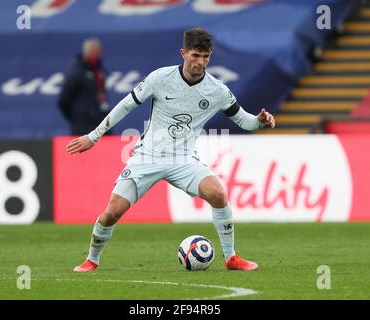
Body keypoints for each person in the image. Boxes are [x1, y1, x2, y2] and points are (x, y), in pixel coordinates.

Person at [67, 28, 276, 272]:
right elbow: (126, 106)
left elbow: (245, 121)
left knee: (218, 194)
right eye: (196, 55)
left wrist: (260, 121)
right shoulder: (160, 78)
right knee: (112, 213)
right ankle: (92, 259)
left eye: (206, 57)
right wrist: (94, 136)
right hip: (148, 157)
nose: (201, 62)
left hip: (184, 159)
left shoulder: (217, 90)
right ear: (183, 53)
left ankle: (231, 257)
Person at [58, 38, 109, 136]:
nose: (99, 54)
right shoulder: (76, 71)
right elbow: (63, 100)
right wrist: (77, 117)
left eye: (99, 51)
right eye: (95, 51)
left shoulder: (99, 69)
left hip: (101, 122)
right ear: (87, 52)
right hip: (83, 126)